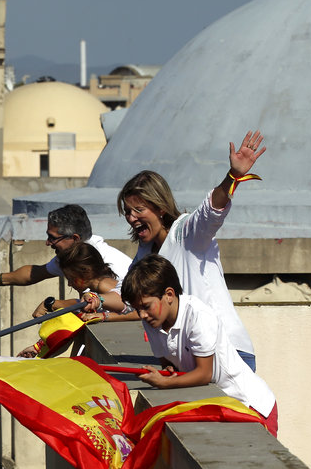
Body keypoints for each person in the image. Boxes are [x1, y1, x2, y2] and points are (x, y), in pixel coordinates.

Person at [117, 130, 264, 371]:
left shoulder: (186, 233)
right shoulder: (144, 255)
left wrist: (232, 177)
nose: (132, 218)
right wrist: (96, 302)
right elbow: (128, 297)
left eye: (139, 210)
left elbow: (211, 209)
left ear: (160, 208)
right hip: (191, 361)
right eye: (128, 212)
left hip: (226, 353)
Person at [122, 254, 277, 436]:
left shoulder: (198, 315)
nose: (142, 315)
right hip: (218, 403)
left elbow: (204, 373)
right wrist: (167, 371)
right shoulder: (153, 321)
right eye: (137, 309)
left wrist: (164, 382)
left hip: (249, 404)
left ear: (169, 295)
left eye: (146, 306)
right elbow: (169, 363)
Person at [0, 204, 132, 293]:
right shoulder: (74, 256)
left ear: (75, 239)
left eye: (53, 238)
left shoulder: (96, 262)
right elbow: (35, 273)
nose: (48, 243)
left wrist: (51, 305)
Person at [28, 241, 128, 319]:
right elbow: (80, 304)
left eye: (71, 278)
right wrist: (52, 304)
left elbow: (122, 302)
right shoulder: (97, 286)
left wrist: (52, 304)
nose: (70, 284)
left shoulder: (104, 285)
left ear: (86, 272)